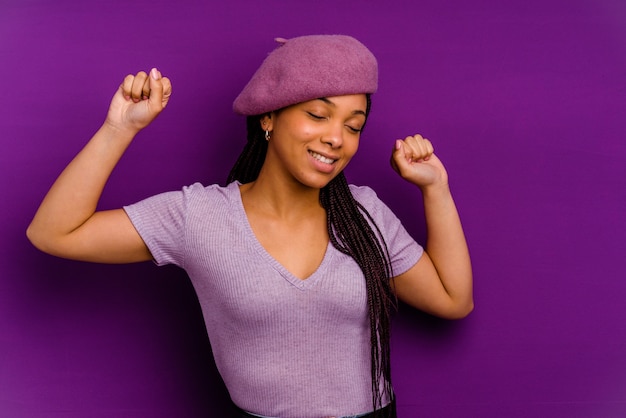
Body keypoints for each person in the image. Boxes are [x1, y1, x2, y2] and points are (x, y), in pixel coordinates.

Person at [26, 35, 473, 418]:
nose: (337, 138)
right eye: (318, 116)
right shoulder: (199, 216)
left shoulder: (365, 214)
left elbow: (453, 300)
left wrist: (436, 188)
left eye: (353, 126)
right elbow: (54, 233)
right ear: (269, 117)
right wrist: (118, 128)